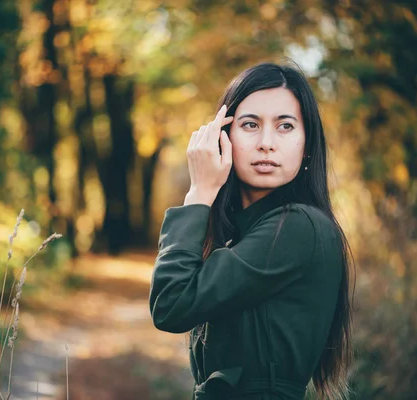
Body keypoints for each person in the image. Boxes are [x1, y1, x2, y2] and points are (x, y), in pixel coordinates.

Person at [149, 62, 354, 400]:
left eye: (285, 126)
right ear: (222, 137)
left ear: (307, 146)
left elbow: (171, 304)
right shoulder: (242, 236)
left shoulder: (299, 227)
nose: (266, 143)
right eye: (250, 125)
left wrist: (199, 192)